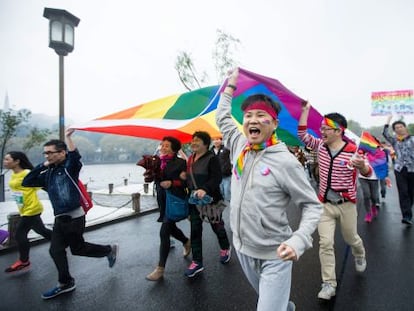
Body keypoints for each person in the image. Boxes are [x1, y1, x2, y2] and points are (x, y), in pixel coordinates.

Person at [216, 68, 322, 311]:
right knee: (275, 304)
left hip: (276, 253)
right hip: (242, 248)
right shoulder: (239, 144)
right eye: (248, 115)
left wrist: (298, 240)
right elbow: (222, 116)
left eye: (261, 115)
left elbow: (312, 206)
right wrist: (230, 87)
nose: (253, 120)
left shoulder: (285, 161)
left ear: (274, 123)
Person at [22, 128, 118, 300]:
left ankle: (109, 250)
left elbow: (75, 157)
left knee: (77, 249)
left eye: (50, 153)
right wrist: (42, 166)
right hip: (60, 219)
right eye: (45, 154)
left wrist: (67, 137)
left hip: (74, 217)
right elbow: (27, 181)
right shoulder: (47, 174)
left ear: (62, 153)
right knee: (56, 250)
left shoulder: (69, 168)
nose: (47, 156)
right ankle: (65, 282)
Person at [298, 102, 372, 300]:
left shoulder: (354, 150)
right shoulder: (320, 145)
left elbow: (369, 172)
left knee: (351, 238)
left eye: (325, 128)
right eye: (321, 128)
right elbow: (303, 136)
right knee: (325, 243)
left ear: (338, 131)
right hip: (324, 204)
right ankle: (328, 284)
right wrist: (304, 112)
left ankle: (359, 253)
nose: (321, 131)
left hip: (347, 205)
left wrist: (362, 167)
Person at [184, 131, 232, 278]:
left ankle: (225, 247)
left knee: (217, 226)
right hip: (194, 201)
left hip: (211, 200)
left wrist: (205, 189)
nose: (193, 142)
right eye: (192, 140)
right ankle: (197, 262)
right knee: (195, 230)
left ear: (205, 143)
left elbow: (217, 178)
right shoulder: (191, 159)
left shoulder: (212, 158)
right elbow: (190, 178)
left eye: (197, 140)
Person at [146, 136, 191, 281]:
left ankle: (160, 269)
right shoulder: (157, 162)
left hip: (174, 199)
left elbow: (186, 182)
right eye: (162, 145)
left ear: (174, 148)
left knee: (164, 231)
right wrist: (149, 175)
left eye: (166, 146)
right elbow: (155, 179)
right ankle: (185, 241)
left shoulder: (181, 162)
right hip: (162, 200)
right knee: (171, 227)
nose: (163, 148)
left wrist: (172, 183)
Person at [3, 151, 52, 272]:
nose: (5, 161)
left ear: (17, 161)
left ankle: (24, 261)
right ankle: (62, 241)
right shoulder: (14, 174)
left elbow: (41, 185)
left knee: (19, 234)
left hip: (32, 208)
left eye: (7, 159)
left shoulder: (27, 173)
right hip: (24, 209)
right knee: (41, 230)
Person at [382, 116, 414, 225]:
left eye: (401, 126)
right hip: (399, 169)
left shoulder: (413, 139)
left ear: (405, 128)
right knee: (403, 192)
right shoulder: (395, 140)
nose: (399, 129)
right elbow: (385, 134)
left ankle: (408, 208)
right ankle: (406, 216)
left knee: (411, 193)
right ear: (395, 130)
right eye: (396, 128)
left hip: (412, 169)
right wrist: (388, 121)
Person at [211, 135, 232, 201]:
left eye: (218, 139)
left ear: (221, 140)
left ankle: (229, 208)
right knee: (220, 193)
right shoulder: (211, 151)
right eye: (214, 139)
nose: (216, 141)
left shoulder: (226, 149)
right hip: (216, 177)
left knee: (227, 192)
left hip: (226, 175)